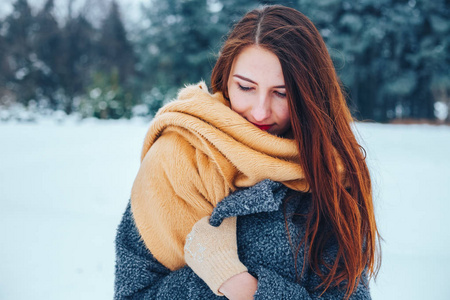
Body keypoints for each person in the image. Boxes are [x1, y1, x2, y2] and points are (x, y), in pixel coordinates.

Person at [114, 5, 381, 300]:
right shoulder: (175, 158)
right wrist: (207, 282)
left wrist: (240, 285)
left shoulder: (328, 171)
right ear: (225, 79)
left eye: (281, 93)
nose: (260, 111)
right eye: (245, 87)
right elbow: (132, 293)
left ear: (310, 94)